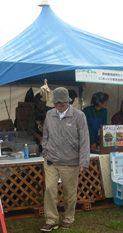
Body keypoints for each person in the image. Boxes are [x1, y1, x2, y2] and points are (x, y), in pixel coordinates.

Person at [40, 87, 90, 232]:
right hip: (51, 160)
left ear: (68, 101)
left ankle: (68, 218)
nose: (59, 105)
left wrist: (83, 161)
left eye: (62, 102)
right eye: (56, 102)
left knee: (69, 192)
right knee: (49, 189)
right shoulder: (49, 115)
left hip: (71, 162)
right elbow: (46, 134)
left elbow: (85, 139)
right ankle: (51, 219)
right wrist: (45, 152)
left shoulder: (79, 116)